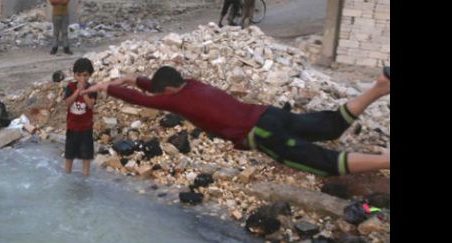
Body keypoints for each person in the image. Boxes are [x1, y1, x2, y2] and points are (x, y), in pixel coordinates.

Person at [83, 66, 391, 176]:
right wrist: (135, 79)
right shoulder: (189, 84)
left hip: (261, 133)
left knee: (325, 162)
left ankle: (386, 161)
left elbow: (145, 99)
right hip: (268, 113)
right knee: (329, 125)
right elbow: (155, 89)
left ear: (168, 91)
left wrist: (107, 87)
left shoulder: (174, 97)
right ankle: (380, 87)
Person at [63, 58, 98, 176]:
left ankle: (85, 176)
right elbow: (67, 103)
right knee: (69, 155)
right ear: (74, 74)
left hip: (86, 128)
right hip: (72, 127)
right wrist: (77, 91)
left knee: (86, 156)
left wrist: (83, 92)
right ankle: (67, 175)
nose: (82, 78)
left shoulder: (92, 89)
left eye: (85, 75)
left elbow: (91, 104)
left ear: (90, 75)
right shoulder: (70, 87)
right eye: (79, 75)